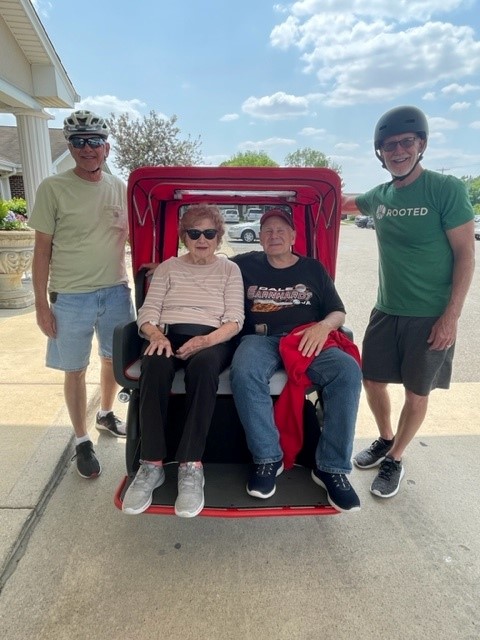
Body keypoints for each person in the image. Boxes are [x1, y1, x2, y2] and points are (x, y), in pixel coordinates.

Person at [342, 105, 475, 499]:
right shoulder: (379, 196)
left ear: (421, 145)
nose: (397, 150)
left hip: (430, 313)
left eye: (406, 142)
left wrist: (450, 317)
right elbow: (345, 202)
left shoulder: (444, 189)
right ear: (379, 153)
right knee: (371, 380)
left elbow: (466, 255)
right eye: (388, 145)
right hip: (386, 309)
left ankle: (396, 458)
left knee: (417, 393)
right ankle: (385, 438)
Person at [230, 209, 363, 513]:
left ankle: (331, 467)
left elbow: (338, 312)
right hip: (260, 339)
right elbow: (206, 265)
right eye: (267, 231)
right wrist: (167, 267)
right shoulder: (244, 263)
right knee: (244, 370)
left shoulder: (313, 269)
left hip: (306, 337)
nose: (273, 236)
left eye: (280, 231)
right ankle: (267, 459)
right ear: (259, 237)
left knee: (346, 371)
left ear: (292, 237)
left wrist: (323, 326)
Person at [29, 110, 135, 480]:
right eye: (78, 142)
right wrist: (41, 303)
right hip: (70, 296)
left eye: (94, 141)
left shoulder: (121, 188)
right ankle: (81, 440)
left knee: (113, 360)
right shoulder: (53, 188)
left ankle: (105, 413)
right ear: (70, 147)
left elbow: (139, 237)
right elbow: (41, 250)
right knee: (75, 369)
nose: (87, 149)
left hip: (115, 292)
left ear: (107, 147)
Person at [122, 203, 244, 518]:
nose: (201, 239)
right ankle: (151, 465)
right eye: (194, 233)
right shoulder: (168, 268)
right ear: (183, 236)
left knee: (204, 367)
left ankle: (191, 465)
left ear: (219, 237)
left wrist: (204, 341)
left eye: (209, 233)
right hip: (168, 333)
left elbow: (234, 320)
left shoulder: (230, 270)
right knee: (155, 363)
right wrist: (156, 336)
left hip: (213, 338)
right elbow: (147, 314)